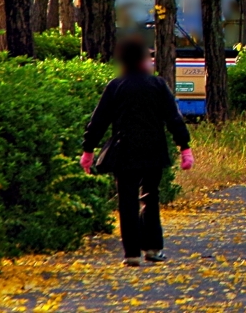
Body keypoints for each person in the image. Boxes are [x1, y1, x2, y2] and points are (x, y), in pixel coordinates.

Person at [80, 36, 193, 267]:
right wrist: (185, 148)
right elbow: (174, 119)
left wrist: (88, 150)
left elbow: (98, 121)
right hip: (153, 151)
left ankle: (131, 253)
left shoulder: (115, 86)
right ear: (143, 60)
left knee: (127, 202)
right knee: (150, 198)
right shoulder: (158, 85)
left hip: (124, 151)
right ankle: (153, 248)